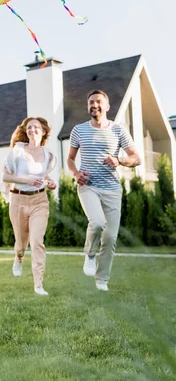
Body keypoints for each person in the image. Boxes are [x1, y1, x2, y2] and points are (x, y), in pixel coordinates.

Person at [67, 90, 141, 292]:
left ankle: (102, 281)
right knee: (97, 222)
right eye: (91, 102)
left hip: (112, 189)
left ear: (107, 106)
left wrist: (120, 160)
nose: (94, 105)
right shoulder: (78, 130)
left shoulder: (118, 130)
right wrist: (75, 174)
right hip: (88, 186)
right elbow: (70, 159)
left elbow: (136, 158)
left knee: (110, 237)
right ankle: (90, 254)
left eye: (98, 102)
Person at [2, 117, 57, 296]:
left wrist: (50, 183)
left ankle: (38, 285)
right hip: (18, 200)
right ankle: (18, 257)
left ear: (43, 131)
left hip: (39, 201)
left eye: (36, 127)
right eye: (30, 127)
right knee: (21, 244)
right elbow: (6, 177)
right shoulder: (17, 151)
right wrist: (25, 180)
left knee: (37, 242)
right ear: (26, 131)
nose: (33, 130)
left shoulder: (48, 156)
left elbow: (45, 176)